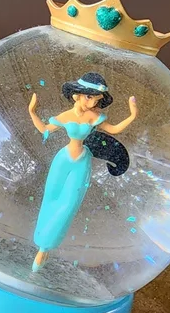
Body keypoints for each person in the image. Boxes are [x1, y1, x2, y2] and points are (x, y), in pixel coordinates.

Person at [28, 72, 137, 272]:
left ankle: (46, 246)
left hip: (81, 163)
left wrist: (132, 116)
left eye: (96, 99)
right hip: (63, 160)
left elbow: (113, 129)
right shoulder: (65, 116)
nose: (93, 102)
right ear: (77, 95)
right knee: (51, 198)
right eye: (89, 97)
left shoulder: (95, 117)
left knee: (69, 204)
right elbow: (44, 129)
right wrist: (32, 111)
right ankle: (42, 240)